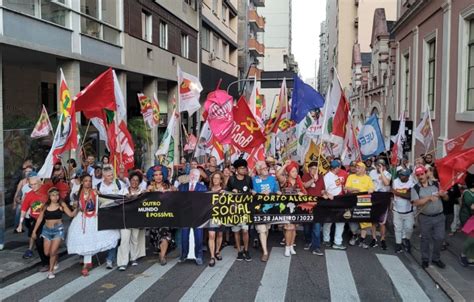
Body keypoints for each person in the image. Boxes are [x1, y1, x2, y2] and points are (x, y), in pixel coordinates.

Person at [67, 174, 120, 276]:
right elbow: (76, 206)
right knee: (85, 240)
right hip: (82, 219)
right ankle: (86, 264)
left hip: (94, 217)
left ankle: (97, 261)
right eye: (86, 181)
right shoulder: (78, 193)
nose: (88, 183)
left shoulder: (95, 192)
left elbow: (104, 202)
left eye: (90, 181)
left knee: (110, 235)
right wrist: (75, 207)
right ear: (82, 182)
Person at [31, 187, 77, 279]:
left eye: (57, 195)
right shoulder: (45, 206)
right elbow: (40, 219)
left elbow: (71, 214)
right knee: (47, 253)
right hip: (46, 230)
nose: (55, 197)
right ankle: (56, 256)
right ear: (49, 196)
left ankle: (51, 271)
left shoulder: (61, 204)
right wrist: (34, 231)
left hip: (58, 230)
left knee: (52, 252)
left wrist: (77, 207)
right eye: (53, 195)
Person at [411, 165, 448, 269]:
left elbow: (446, 198)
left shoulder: (436, 184)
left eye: (422, 174)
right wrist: (428, 198)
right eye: (418, 175)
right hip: (425, 218)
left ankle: (436, 258)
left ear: (426, 173)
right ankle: (425, 259)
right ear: (416, 176)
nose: (420, 176)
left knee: (439, 238)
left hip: (439, 217)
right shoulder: (416, 188)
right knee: (425, 239)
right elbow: (416, 203)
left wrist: (443, 195)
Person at [96, 167, 128, 269]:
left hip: (118, 213)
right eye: (109, 175)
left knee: (117, 237)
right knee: (110, 237)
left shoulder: (119, 183)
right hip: (105, 215)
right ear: (104, 176)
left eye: (112, 175)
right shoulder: (98, 186)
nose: (111, 177)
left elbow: (126, 195)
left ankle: (111, 258)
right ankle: (110, 257)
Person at [16, 176, 50, 270]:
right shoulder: (29, 195)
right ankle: (45, 263)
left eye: (35, 184)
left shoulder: (46, 189)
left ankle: (51, 259)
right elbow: (23, 210)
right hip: (35, 220)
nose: (33, 186)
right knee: (38, 242)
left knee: (48, 241)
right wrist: (20, 224)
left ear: (40, 183)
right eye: (31, 185)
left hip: (48, 219)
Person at [117, 172, 146, 271]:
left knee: (135, 239)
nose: (134, 182)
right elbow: (116, 202)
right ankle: (122, 262)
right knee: (124, 240)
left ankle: (134, 258)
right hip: (124, 219)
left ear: (140, 182)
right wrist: (125, 198)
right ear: (129, 181)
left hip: (137, 219)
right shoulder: (123, 191)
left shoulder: (142, 192)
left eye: (137, 180)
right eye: (133, 180)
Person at [252, 161, 281, 262]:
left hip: (270, 208)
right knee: (262, 229)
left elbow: (276, 190)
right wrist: (260, 193)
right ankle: (265, 252)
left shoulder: (272, 179)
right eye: (263, 168)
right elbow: (254, 192)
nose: (266, 169)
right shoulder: (254, 180)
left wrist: (277, 192)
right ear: (258, 170)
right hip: (259, 208)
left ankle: (262, 242)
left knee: (267, 228)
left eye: (266, 168)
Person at [277, 160, 307, 257]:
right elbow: (278, 175)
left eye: (296, 171)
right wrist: (285, 164)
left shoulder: (299, 181)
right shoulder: (284, 180)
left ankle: (291, 246)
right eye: (293, 171)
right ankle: (287, 246)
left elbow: (305, 193)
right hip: (286, 206)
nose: (295, 173)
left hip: (296, 206)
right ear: (289, 172)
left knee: (294, 228)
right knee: (288, 227)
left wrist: (302, 194)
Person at [148, 167, 176, 265]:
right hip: (154, 217)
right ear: (153, 177)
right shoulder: (150, 188)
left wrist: (170, 191)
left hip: (166, 216)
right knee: (156, 238)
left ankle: (163, 257)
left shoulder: (169, 186)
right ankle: (161, 252)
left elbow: (177, 196)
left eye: (160, 174)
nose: (158, 177)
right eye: (156, 175)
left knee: (165, 235)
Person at [179, 168, 207, 265]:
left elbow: (204, 203)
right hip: (185, 216)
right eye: (192, 175)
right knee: (184, 236)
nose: (193, 177)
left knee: (198, 237)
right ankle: (183, 255)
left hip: (197, 216)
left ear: (199, 177)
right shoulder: (182, 187)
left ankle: (199, 256)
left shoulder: (203, 188)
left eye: (196, 175)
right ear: (189, 175)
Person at [227, 159, 253, 261]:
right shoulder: (231, 179)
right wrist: (231, 191)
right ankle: (239, 251)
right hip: (235, 209)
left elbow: (251, 191)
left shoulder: (248, 179)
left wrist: (252, 192)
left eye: (245, 168)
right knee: (236, 231)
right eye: (241, 168)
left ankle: (246, 250)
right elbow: (226, 192)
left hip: (245, 209)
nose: (244, 170)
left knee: (245, 230)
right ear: (237, 170)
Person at [345, 162, 375, 249]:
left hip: (364, 202)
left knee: (364, 221)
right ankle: (354, 235)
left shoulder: (368, 178)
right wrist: (355, 189)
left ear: (363, 169)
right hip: (353, 202)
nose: (356, 169)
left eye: (358, 168)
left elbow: (372, 188)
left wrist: (370, 189)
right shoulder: (351, 177)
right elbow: (346, 188)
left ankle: (362, 240)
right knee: (352, 221)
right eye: (356, 167)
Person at [302, 161, 325, 256]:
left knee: (317, 226)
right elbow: (304, 185)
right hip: (307, 205)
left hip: (317, 206)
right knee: (307, 227)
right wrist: (312, 180)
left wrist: (325, 193)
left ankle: (316, 247)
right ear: (309, 169)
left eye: (316, 168)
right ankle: (308, 241)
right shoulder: (305, 176)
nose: (315, 170)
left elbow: (322, 189)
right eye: (312, 168)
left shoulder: (321, 177)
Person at [368, 159, 392, 250]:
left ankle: (382, 238)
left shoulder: (387, 173)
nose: (379, 166)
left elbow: (386, 183)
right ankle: (374, 238)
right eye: (377, 165)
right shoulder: (372, 173)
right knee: (373, 220)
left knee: (382, 222)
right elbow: (369, 183)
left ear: (384, 166)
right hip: (374, 196)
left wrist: (382, 172)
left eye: (381, 165)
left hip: (383, 197)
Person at [322, 160, 346, 250]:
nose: (340, 168)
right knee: (330, 221)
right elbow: (323, 189)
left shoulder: (335, 176)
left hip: (338, 200)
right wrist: (328, 194)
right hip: (331, 201)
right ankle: (330, 240)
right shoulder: (327, 177)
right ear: (336, 168)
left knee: (338, 221)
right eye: (339, 167)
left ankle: (334, 241)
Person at [392, 169, 415, 253]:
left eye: (403, 175)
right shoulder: (395, 182)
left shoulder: (412, 183)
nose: (401, 176)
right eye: (400, 175)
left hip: (408, 210)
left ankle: (406, 240)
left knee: (409, 228)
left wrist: (397, 193)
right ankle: (398, 244)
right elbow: (391, 192)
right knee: (398, 228)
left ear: (408, 176)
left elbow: (410, 196)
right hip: (396, 210)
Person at [207, 171, 225, 267]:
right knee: (211, 235)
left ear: (221, 180)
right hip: (211, 216)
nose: (215, 180)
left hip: (221, 215)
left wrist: (225, 194)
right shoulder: (208, 189)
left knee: (220, 234)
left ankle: (217, 251)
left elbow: (228, 204)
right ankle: (212, 256)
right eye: (214, 178)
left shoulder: (224, 190)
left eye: (218, 178)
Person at [459, 173, 474, 267]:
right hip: (468, 218)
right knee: (471, 239)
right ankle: (463, 254)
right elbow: (472, 206)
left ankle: (471, 257)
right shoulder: (467, 193)